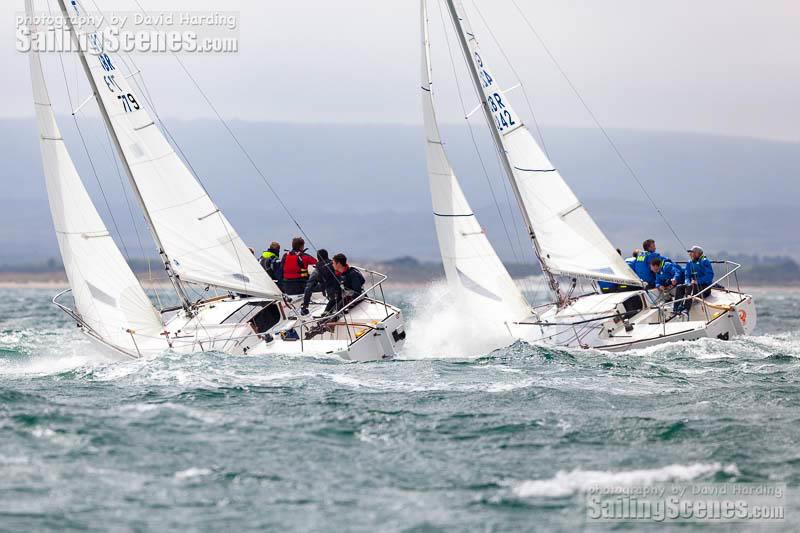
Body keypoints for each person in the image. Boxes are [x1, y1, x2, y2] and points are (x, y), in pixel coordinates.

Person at [300, 249, 342, 316]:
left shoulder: (317, 270)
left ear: (318, 258)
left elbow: (308, 287)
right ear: (327, 256)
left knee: (311, 286)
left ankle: (327, 312)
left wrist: (305, 305)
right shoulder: (335, 264)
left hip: (330, 293)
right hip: (341, 290)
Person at [681, 245, 714, 313]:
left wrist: (697, 281)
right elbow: (687, 276)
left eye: (692, 252)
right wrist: (688, 283)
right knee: (679, 287)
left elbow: (710, 276)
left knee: (693, 287)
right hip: (693, 286)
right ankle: (677, 308)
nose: (690, 254)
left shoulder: (705, 261)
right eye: (690, 253)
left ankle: (686, 309)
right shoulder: (690, 263)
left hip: (704, 287)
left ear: (697, 253)